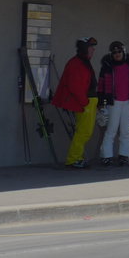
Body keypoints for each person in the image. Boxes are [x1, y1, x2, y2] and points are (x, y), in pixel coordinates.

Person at [50, 36, 98, 169]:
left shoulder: (83, 62)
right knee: (83, 132)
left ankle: (77, 157)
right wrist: (85, 102)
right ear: (85, 49)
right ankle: (73, 159)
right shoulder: (76, 63)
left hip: (89, 101)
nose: (93, 50)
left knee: (85, 132)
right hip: (85, 102)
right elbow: (74, 86)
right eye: (91, 47)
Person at [96, 40, 129, 168]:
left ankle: (124, 156)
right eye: (114, 52)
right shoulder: (107, 65)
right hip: (114, 102)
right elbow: (101, 84)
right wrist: (100, 101)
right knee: (111, 130)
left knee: (125, 131)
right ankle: (106, 156)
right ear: (111, 54)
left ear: (123, 52)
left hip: (128, 102)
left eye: (119, 51)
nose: (117, 54)